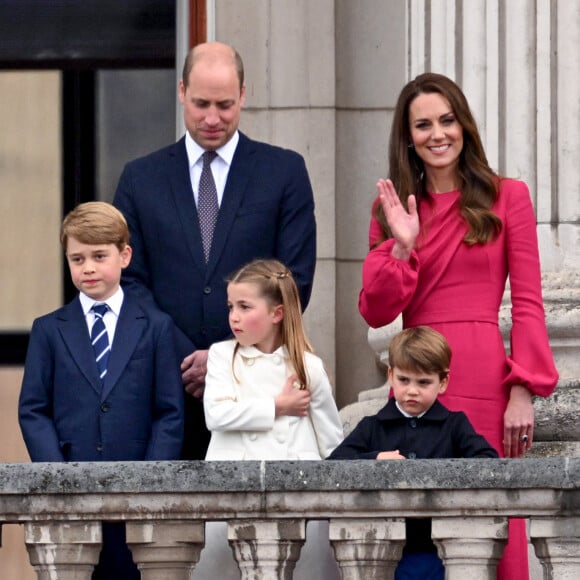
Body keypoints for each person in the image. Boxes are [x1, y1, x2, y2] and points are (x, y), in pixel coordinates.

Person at [358, 72, 559, 579]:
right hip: (417, 378)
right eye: (422, 124)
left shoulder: (507, 196)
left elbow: (530, 303)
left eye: (447, 120)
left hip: (486, 379)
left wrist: (523, 389)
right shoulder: (390, 210)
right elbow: (377, 311)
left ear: (464, 126)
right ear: (408, 137)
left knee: (495, 513)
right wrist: (402, 245)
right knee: (416, 519)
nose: (437, 134)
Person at [112, 41, 317, 460]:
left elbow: (294, 278)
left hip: (256, 389)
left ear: (244, 95)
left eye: (224, 104)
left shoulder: (284, 171)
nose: (211, 118)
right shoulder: (140, 178)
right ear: (181, 91)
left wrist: (225, 357)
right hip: (164, 390)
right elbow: (127, 279)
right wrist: (186, 356)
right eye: (201, 103)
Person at [18, 202, 184, 580]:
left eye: (98, 256)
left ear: (124, 256)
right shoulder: (48, 329)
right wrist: (56, 476)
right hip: (71, 487)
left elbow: (169, 411)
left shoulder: (156, 327)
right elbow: (33, 408)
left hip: (137, 492)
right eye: (77, 258)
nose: (88, 267)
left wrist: (151, 479)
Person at [193, 258, 343, 579]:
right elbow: (216, 414)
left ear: (277, 313)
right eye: (231, 306)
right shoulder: (222, 356)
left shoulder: (308, 366)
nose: (234, 316)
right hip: (231, 491)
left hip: (298, 498)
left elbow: (331, 442)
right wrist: (277, 406)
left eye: (245, 307)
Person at [328, 326, 498, 579]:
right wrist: (374, 459)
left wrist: (446, 473)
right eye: (404, 380)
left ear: (443, 382)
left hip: (442, 549)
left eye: (424, 382)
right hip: (387, 548)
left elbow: (488, 460)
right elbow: (333, 465)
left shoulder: (454, 425)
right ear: (391, 375)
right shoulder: (373, 426)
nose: (412, 390)